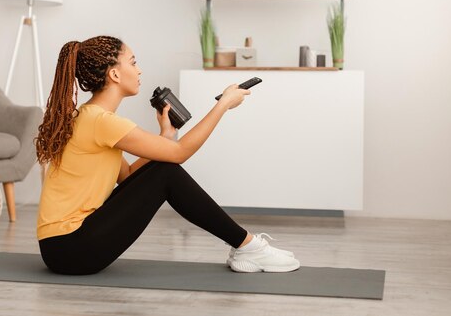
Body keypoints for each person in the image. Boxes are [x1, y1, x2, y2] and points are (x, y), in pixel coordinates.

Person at [35, 36, 300, 275]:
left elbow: (127, 176)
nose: (139, 70)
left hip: (60, 248)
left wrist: (165, 137)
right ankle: (249, 247)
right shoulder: (102, 122)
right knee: (167, 170)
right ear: (115, 74)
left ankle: (246, 246)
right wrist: (223, 105)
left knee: (164, 169)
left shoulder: (89, 117)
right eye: (133, 62)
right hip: (72, 248)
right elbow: (180, 154)